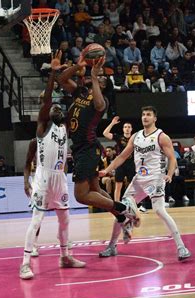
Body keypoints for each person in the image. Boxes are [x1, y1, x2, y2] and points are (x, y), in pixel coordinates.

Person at [57, 50, 139, 244]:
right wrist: (79, 65)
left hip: (89, 149)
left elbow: (100, 104)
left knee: (81, 195)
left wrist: (94, 76)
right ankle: (122, 217)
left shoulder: (101, 102)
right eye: (98, 78)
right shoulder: (80, 93)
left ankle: (123, 207)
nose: (100, 79)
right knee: (95, 190)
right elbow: (61, 78)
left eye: (102, 80)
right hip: (80, 149)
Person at [20, 51, 86, 280]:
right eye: (52, 107)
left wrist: (78, 73)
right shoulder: (42, 127)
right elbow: (48, 99)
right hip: (44, 178)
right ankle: (25, 263)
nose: (56, 107)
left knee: (65, 219)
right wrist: (52, 74)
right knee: (36, 220)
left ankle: (65, 256)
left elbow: (75, 97)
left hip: (60, 177)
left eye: (59, 107)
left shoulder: (64, 126)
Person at [98, 106, 191, 261]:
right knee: (120, 210)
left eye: (148, 115)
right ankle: (112, 245)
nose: (145, 117)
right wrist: (106, 170)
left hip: (155, 179)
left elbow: (172, 158)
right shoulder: (136, 136)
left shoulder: (162, 136)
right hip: (139, 180)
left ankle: (181, 247)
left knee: (160, 211)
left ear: (155, 118)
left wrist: (169, 174)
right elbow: (121, 156)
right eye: (143, 115)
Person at [103, 116, 135, 202]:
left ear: (131, 129)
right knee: (118, 186)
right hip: (120, 164)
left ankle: (132, 204)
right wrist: (112, 123)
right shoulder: (119, 137)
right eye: (125, 127)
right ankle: (117, 204)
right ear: (123, 129)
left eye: (129, 127)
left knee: (132, 186)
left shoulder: (135, 138)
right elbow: (105, 133)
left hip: (132, 164)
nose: (127, 129)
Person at [23, 138, 41, 257]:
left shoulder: (58, 141)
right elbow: (27, 164)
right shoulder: (35, 143)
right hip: (38, 181)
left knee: (62, 212)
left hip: (55, 180)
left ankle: (64, 240)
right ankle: (34, 245)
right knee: (37, 215)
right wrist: (26, 182)